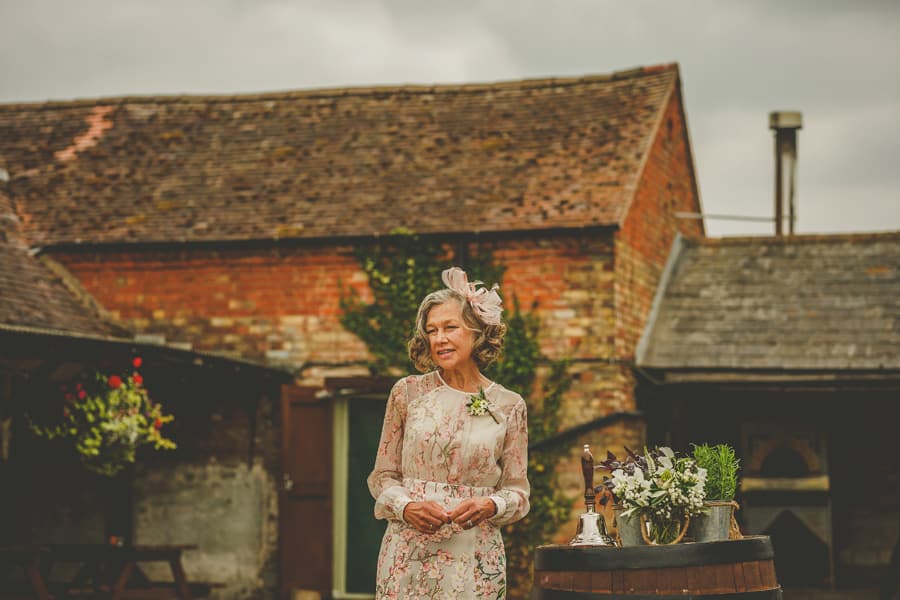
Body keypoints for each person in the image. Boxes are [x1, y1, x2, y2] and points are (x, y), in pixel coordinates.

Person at [367, 266, 530, 598]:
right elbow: (382, 476)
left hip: (476, 556)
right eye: (432, 330)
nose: (439, 338)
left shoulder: (509, 405)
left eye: (450, 327)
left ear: (477, 332)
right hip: (408, 553)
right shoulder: (407, 393)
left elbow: (518, 492)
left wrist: (490, 504)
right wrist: (406, 507)